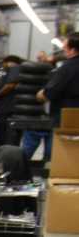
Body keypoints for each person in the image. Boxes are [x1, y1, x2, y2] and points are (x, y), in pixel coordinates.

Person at [36, 34, 79, 162]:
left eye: (65, 47)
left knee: (64, 154)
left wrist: (41, 94)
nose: (63, 49)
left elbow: (50, 93)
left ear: (72, 50)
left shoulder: (67, 68)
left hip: (67, 118)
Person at [0, 54, 25, 147]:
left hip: (8, 112)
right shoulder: (19, 72)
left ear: (9, 63)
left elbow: (10, 85)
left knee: (7, 139)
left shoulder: (15, 69)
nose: (3, 66)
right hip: (9, 111)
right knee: (9, 140)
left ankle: (6, 160)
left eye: (3, 64)